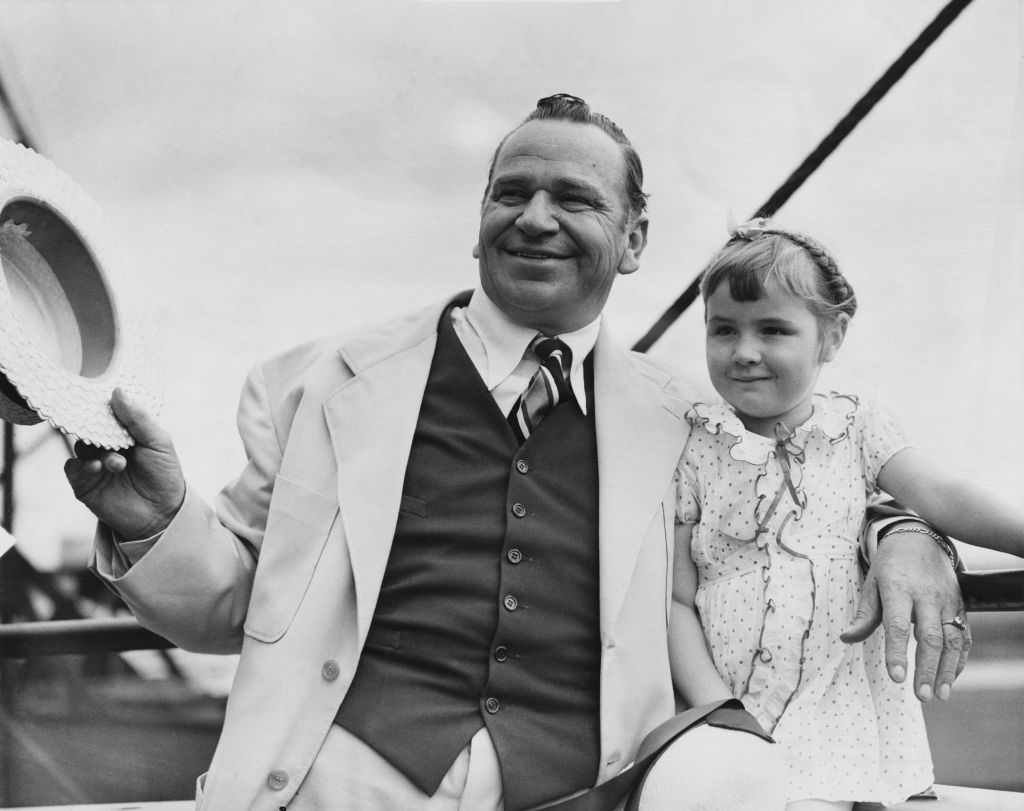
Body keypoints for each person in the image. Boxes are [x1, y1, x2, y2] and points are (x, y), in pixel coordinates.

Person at [65, 96, 966, 811]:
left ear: (635, 240)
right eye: (511, 193)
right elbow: (232, 606)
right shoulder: (316, 386)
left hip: (589, 789)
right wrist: (156, 523)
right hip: (341, 782)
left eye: (575, 199)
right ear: (479, 220)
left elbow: (811, 476)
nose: (536, 218)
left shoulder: (690, 418)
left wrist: (904, 530)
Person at [668, 218, 1024, 810]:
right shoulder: (692, 445)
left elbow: (942, 496)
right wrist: (717, 711)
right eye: (723, 329)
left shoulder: (855, 425)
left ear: (830, 338)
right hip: (735, 702)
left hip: (842, 701)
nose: (745, 352)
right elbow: (677, 599)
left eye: (773, 329)